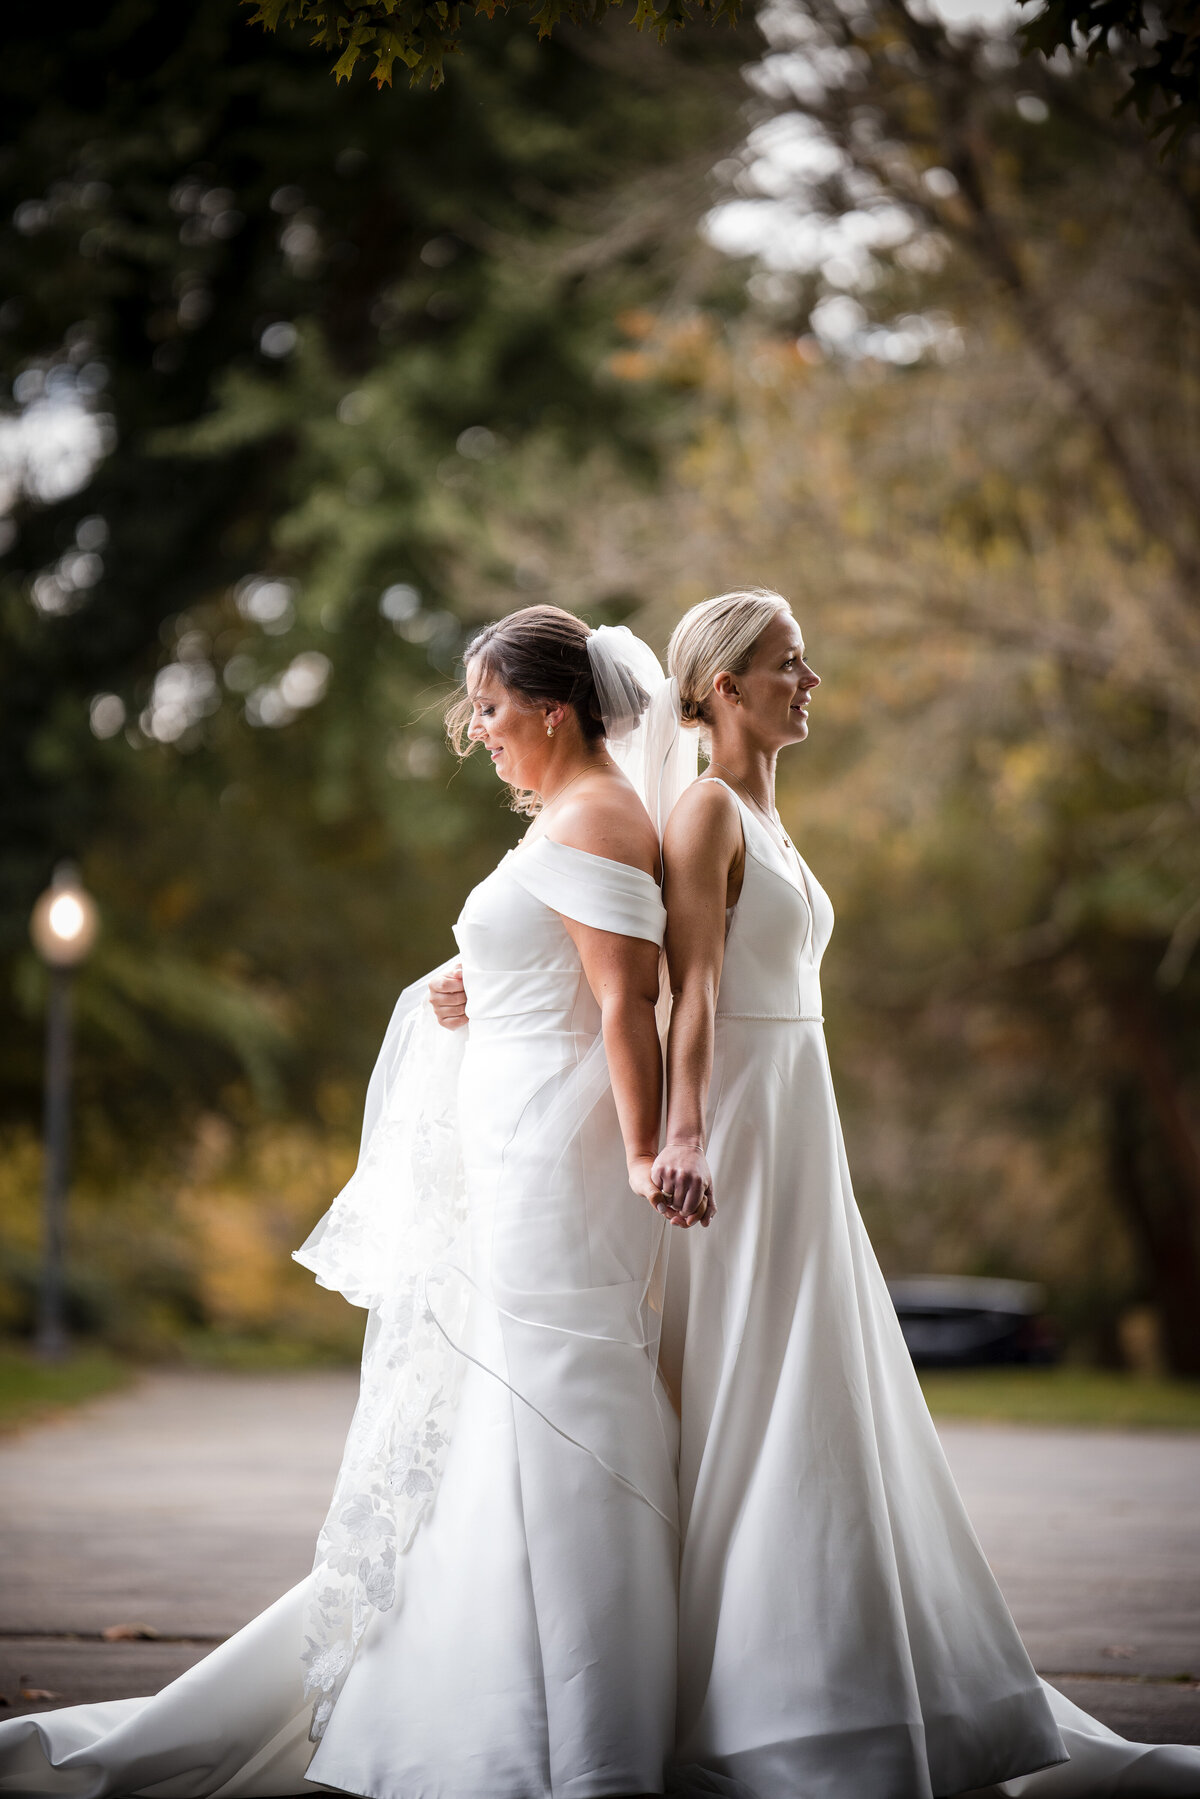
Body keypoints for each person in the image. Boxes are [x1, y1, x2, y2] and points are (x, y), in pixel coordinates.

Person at [0, 605, 696, 1799]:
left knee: (560, 1398)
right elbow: (572, 967)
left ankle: (592, 1728)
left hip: (556, 1163)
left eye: (487, 707)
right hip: (516, 1143)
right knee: (496, 1418)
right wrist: (483, 978)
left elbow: (629, 999)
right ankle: (499, 1693)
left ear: (553, 706)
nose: (478, 733)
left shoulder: (594, 814)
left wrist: (644, 1148)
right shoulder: (578, 819)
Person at [650, 586, 1200, 1799]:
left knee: (826, 1385)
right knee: (758, 1382)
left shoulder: (766, 816)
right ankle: (760, 1699)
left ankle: (842, 1672)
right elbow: (685, 989)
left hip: (805, 1123)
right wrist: (683, 1130)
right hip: (739, 1130)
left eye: (805, 661)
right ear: (723, 689)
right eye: (789, 665)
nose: (814, 680)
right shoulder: (699, 813)